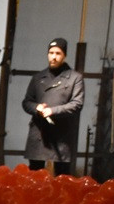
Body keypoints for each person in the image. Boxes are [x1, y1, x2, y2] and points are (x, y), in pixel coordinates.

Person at [22, 37, 85, 175]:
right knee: (35, 178)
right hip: (39, 134)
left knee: (62, 180)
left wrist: (52, 110)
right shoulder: (38, 77)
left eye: (58, 53)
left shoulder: (75, 78)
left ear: (64, 55)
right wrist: (36, 108)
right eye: (51, 53)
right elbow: (26, 102)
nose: (54, 57)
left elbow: (77, 104)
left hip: (62, 136)